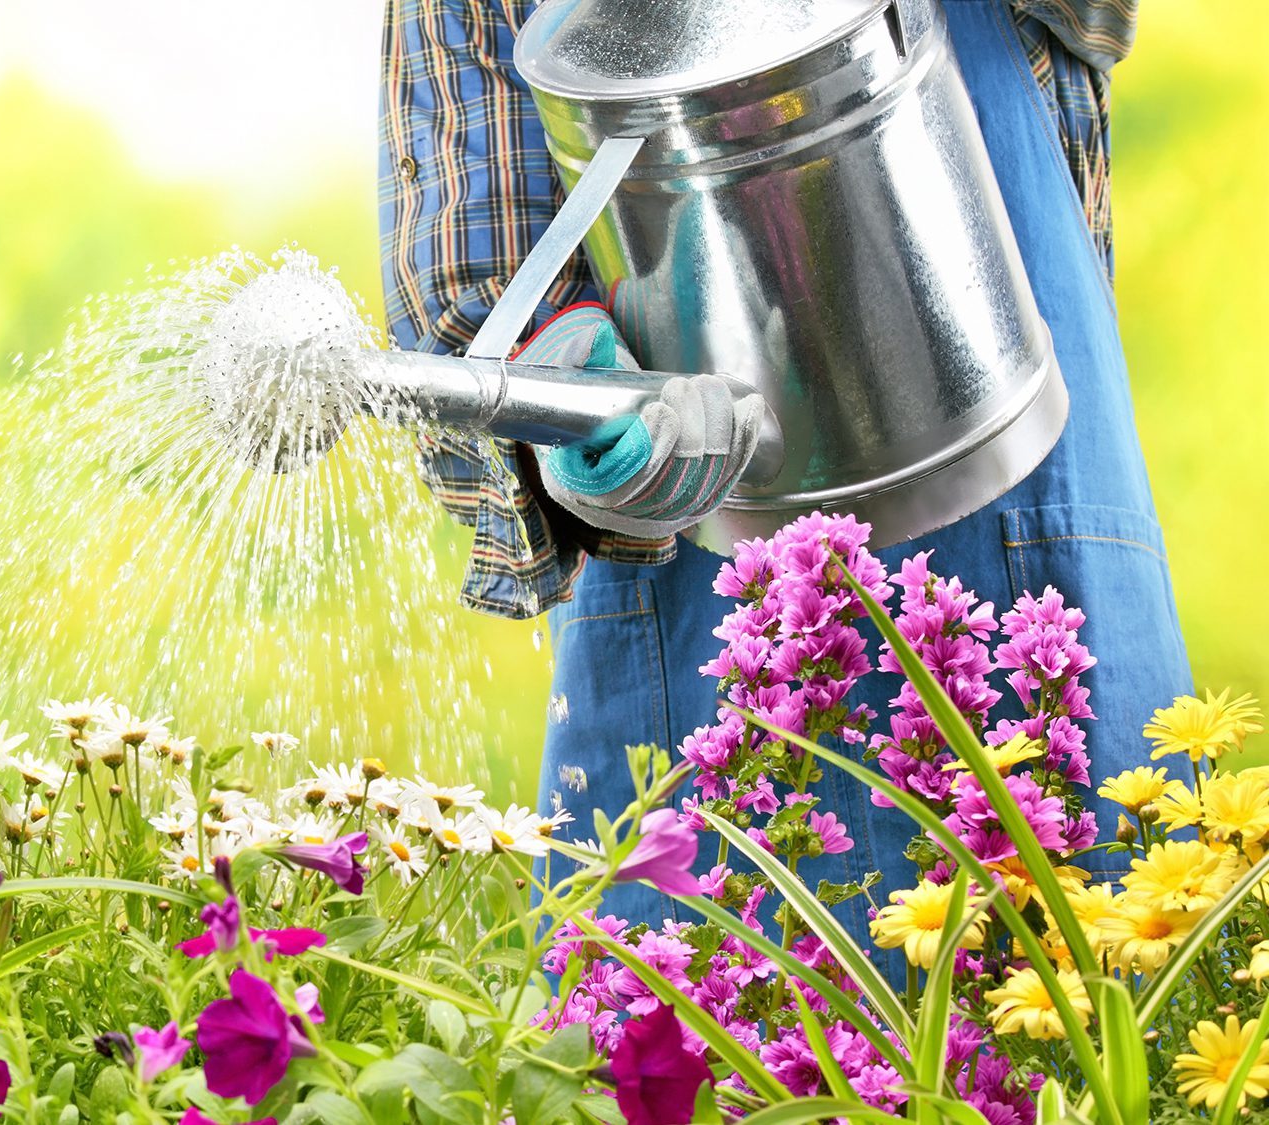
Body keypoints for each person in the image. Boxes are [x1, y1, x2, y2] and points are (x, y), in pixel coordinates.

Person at [379, 0, 1192, 923]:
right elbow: (470, 251)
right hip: (697, 585)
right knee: (708, 1025)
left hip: (1026, 521)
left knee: (1095, 1011)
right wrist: (568, 394)